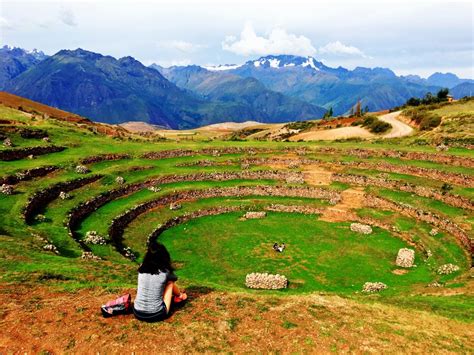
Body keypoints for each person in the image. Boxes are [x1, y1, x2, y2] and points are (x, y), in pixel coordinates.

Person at [133, 241, 187, 322]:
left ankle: (179, 295)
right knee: (170, 283)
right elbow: (174, 279)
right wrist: (178, 293)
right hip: (156, 314)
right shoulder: (165, 271)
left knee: (162, 282)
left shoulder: (142, 267)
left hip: (137, 312)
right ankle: (180, 296)